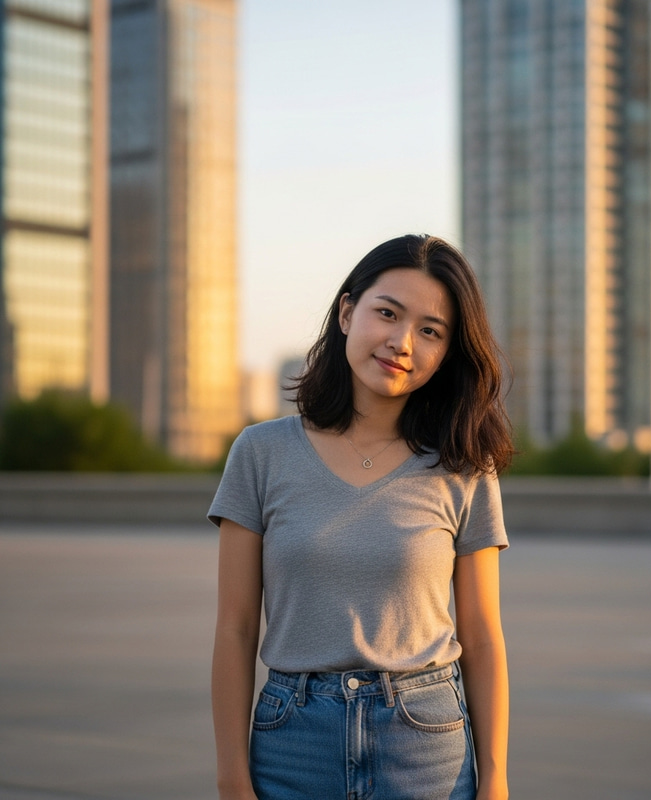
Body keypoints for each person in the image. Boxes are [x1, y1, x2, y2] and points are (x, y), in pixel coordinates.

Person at [209, 233, 514, 800]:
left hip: (426, 745)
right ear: (348, 312)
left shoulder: (464, 466)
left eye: (430, 331)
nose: (402, 341)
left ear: (447, 353)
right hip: (291, 741)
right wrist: (231, 776)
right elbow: (235, 628)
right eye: (387, 313)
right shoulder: (260, 452)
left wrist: (495, 781)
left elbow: (482, 635)